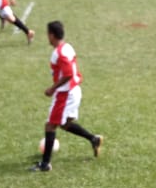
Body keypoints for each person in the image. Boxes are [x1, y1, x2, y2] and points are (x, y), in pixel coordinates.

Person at [32, 20, 105, 172]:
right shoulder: (67, 47)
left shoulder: (58, 52)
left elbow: (68, 74)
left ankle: (45, 164)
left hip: (65, 94)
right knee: (65, 124)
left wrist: (52, 88)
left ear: (51, 35)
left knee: (50, 125)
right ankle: (94, 139)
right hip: (75, 90)